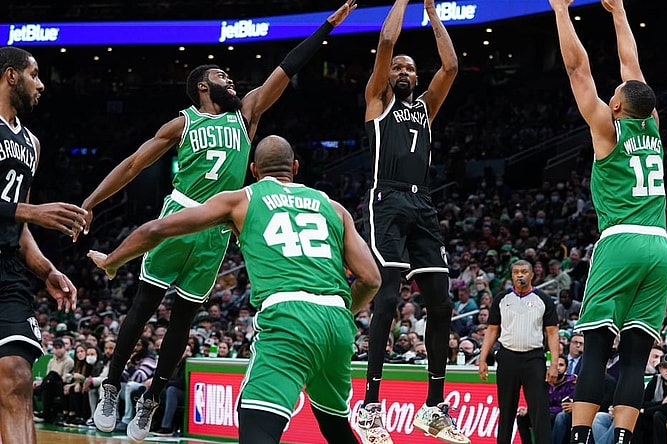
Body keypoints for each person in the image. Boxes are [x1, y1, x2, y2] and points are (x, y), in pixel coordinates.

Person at [82, 2, 359, 441]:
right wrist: (91, 202)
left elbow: (285, 70)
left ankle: (151, 399)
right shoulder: (184, 121)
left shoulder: (246, 115)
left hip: (213, 233)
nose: (230, 80)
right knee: (142, 308)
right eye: (221, 76)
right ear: (201, 86)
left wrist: (326, 26)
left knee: (182, 321)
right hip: (180, 213)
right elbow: (134, 163)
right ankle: (112, 384)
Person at [88, 135, 381, 444]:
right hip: (337, 323)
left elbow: (158, 228)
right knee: (334, 427)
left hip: (289, 317)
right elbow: (371, 279)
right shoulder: (333, 207)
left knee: (256, 425)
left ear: (253, 170)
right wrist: (338, 314)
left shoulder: (243, 198)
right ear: (295, 167)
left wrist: (113, 261)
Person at [549, 1, 667, 443]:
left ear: (618, 101)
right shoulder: (653, 124)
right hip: (661, 247)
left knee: (599, 346)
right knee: (637, 354)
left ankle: (581, 438)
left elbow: (576, 68)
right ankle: (621, 439)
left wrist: (560, 10)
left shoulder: (608, 126)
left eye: (616, 91)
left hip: (620, 240)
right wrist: (619, 11)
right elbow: (632, 65)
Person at [356, 0, 466, 443]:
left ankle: (434, 407)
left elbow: (452, 65)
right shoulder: (377, 101)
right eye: (397, 67)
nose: (402, 71)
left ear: (417, 79)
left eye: (409, 68)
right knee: (387, 297)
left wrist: (434, 15)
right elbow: (386, 39)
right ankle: (369, 405)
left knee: (441, 304)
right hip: (387, 199)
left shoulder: (425, 107)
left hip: (424, 205)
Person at [0, 46, 87, 444]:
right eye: (34, 74)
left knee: (17, 376)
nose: (42, 84)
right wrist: (27, 212)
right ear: (10, 75)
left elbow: (19, 227)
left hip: (8, 272)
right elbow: (22, 213)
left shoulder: (31, 144)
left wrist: (47, 269)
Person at [478, 260, 560, 444]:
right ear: (512, 276)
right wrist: (483, 359)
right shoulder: (501, 298)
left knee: (539, 410)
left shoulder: (543, 300)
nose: (520, 275)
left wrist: (554, 364)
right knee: (506, 409)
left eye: (524, 272)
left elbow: (552, 333)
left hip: (534, 358)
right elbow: (492, 330)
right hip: (507, 357)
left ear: (532, 275)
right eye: (516, 272)